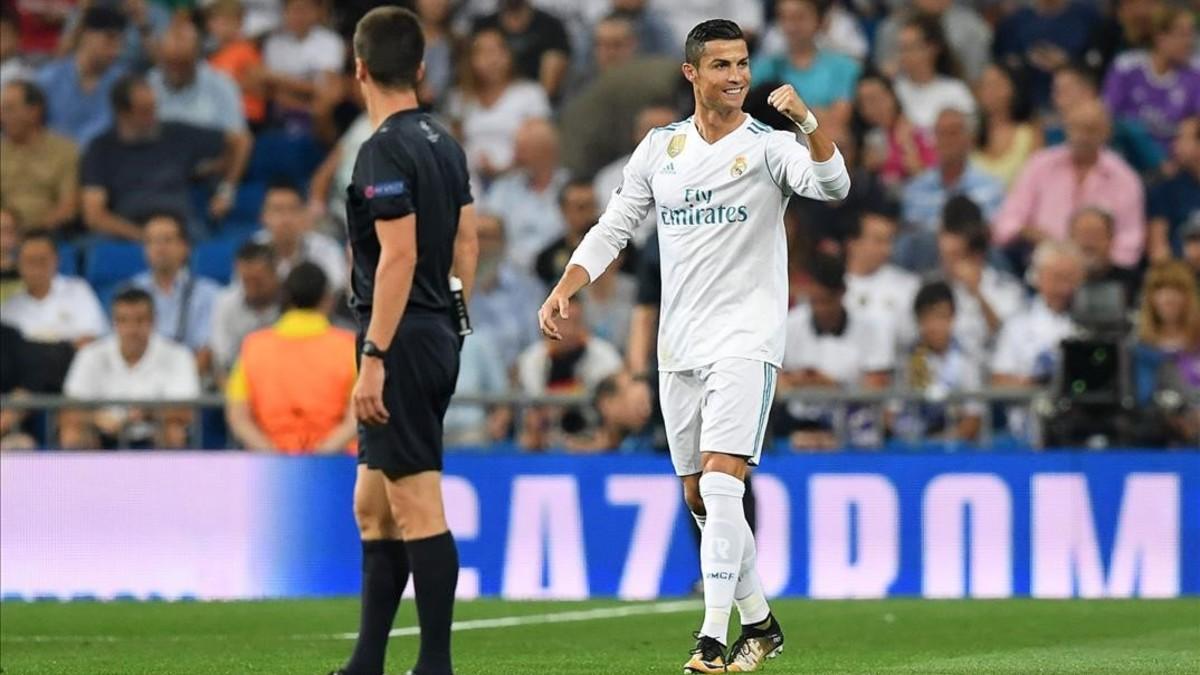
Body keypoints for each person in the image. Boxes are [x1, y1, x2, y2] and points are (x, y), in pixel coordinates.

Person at [539, 19, 850, 672]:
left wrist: (809, 122)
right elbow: (615, 223)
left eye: (741, 64)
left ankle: (711, 638)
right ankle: (760, 623)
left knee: (721, 477)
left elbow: (833, 185)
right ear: (692, 74)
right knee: (700, 497)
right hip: (678, 346)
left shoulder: (769, 146)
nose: (736, 76)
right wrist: (568, 283)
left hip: (746, 338)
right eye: (721, 66)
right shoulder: (661, 148)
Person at [332, 8, 478, 675]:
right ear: (419, 67)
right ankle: (367, 660)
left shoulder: (382, 147)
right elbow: (467, 238)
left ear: (359, 68)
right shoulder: (445, 142)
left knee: (415, 499)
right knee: (374, 503)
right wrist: (455, 317)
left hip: (398, 335)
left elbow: (397, 255)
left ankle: (436, 664)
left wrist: (375, 356)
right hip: (430, 325)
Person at [81, 75, 244, 240]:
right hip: (128, 232)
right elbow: (94, 215)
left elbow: (240, 141)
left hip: (180, 230)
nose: (153, 117)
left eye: (154, 108)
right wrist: (147, 238)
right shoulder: (101, 149)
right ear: (122, 113)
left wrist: (226, 190)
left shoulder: (175, 133)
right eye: (145, 111)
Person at [993, 99, 1146, 269]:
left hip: (1102, 273)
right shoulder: (1039, 165)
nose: (1082, 137)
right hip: (1040, 265)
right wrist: (1033, 234)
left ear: (1106, 132)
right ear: (1065, 127)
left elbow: (1129, 246)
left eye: (1090, 130)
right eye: (1076, 128)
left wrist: (1098, 257)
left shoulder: (1124, 178)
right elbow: (1007, 222)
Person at [226, 262, 356, 453]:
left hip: (270, 466)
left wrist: (271, 451)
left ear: (285, 297)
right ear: (327, 299)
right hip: (339, 464)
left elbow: (238, 416)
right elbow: (358, 414)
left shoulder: (253, 347)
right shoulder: (349, 346)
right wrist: (324, 451)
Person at [59, 287, 200, 450]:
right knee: (73, 432)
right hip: (103, 435)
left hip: (153, 434)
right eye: (124, 321)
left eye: (140, 320)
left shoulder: (178, 355)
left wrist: (147, 413)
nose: (132, 330)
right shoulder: (91, 354)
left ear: (153, 321)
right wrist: (96, 418)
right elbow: (68, 409)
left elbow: (186, 411)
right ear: (114, 323)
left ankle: (168, 476)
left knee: (174, 431)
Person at [778, 256, 894, 451]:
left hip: (850, 425)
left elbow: (875, 388)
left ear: (842, 293)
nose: (820, 309)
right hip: (797, 423)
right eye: (815, 301)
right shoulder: (790, 325)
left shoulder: (871, 330)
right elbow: (776, 383)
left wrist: (829, 385)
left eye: (826, 301)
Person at [444, 27, 551, 192]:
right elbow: (454, 145)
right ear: (471, 60)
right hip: (470, 182)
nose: (491, 60)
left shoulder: (530, 94)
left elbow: (541, 146)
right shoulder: (460, 98)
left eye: (497, 51)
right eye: (483, 53)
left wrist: (505, 168)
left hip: (520, 180)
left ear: (509, 55)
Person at [516, 297, 623, 450]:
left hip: (595, 442)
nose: (568, 331)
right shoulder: (532, 360)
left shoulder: (606, 358)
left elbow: (616, 417)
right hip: (549, 442)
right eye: (562, 322)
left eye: (575, 322)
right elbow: (531, 418)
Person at [888, 280, 984, 442]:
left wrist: (941, 443)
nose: (934, 326)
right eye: (927, 318)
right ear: (918, 321)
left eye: (941, 317)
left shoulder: (967, 359)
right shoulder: (907, 359)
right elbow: (890, 414)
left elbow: (973, 418)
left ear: (953, 318)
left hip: (955, 446)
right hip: (914, 445)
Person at [751, 0, 860, 133]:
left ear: (820, 21)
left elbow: (837, 120)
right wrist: (815, 112)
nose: (791, 26)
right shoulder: (763, 68)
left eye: (799, 17)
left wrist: (790, 111)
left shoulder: (844, 67)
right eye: (784, 18)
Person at [935, 197, 1026, 359]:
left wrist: (978, 294)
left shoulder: (1007, 288)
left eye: (956, 256)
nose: (947, 264)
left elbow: (1007, 340)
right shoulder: (931, 287)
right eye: (945, 256)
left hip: (992, 376)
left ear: (977, 256)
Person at [1102, 7, 1199, 155]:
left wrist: (1192, 128)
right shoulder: (1126, 67)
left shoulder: (1195, 73)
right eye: (1182, 35)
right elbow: (1107, 113)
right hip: (1127, 152)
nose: (1189, 42)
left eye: (1191, 35)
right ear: (1160, 38)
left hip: (1174, 157)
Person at [991, 240, 1086, 389]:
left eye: (1071, 278)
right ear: (1037, 277)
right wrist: (1034, 385)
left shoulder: (1095, 322)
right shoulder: (1017, 323)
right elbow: (999, 379)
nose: (1064, 288)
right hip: (1030, 409)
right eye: (1057, 278)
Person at [480, 118, 570, 273]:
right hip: (509, 275)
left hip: (559, 273)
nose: (516, 156)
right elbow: (485, 231)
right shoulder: (503, 189)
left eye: (523, 150)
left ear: (546, 152)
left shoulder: (571, 189)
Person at [129, 212, 221, 361]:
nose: (159, 248)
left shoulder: (209, 293)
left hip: (191, 377)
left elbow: (207, 350)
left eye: (167, 240)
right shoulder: (132, 291)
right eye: (152, 241)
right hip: (142, 376)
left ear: (185, 247)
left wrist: (180, 380)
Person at [1045, 63, 1164, 174]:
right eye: (1055, 91)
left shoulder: (1127, 130)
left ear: (1089, 91)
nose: (1056, 98)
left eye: (1064, 91)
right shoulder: (1052, 135)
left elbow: (1162, 169)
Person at [34, 6, 127, 146]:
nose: (116, 50)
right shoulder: (48, 79)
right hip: (55, 162)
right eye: (110, 39)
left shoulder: (123, 83)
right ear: (86, 34)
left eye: (121, 42)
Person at [901, 108, 1005, 232]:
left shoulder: (991, 188)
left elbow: (990, 237)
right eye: (941, 133)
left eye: (953, 133)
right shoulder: (915, 191)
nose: (947, 141)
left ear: (969, 140)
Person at [1131, 261, 1200, 444]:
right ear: (1150, 298)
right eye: (1160, 290)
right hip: (1153, 434)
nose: (1169, 298)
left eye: (1177, 290)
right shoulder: (1137, 346)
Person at [467, 211, 545, 371]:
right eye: (476, 236)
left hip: (518, 380)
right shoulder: (452, 288)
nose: (481, 245)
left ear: (503, 243)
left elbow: (536, 342)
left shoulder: (526, 289)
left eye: (488, 237)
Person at [0, 230, 106, 347]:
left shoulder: (78, 290)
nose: (37, 268)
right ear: (19, 264)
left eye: (43, 260)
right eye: (30, 261)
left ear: (56, 260)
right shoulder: (9, 308)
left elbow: (92, 338)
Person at [992, 0, 1104, 108]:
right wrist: (1027, 60)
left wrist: (1067, 62)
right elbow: (1005, 65)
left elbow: (1099, 64)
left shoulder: (1088, 16)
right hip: (1032, 105)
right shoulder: (1014, 23)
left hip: (1077, 104)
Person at [0, 80, 78, 234]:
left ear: (34, 111)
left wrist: (36, 232)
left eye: (9, 109)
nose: (2, 117)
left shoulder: (64, 150)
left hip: (51, 234)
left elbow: (69, 204)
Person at [844, 209, 919, 351]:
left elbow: (913, 338)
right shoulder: (833, 287)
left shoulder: (909, 285)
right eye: (878, 241)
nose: (887, 250)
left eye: (890, 241)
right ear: (852, 243)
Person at [254, 180, 348, 293]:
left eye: (292, 209)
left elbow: (336, 290)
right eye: (277, 210)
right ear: (263, 216)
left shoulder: (327, 248)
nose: (285, 219)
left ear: (304, 214)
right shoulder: (255, 249)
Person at [261, 0, 345, 123]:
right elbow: (272, 90)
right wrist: (311, 88)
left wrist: (283, 80)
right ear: (284, 12)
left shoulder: (331, 41)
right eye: (294, 10)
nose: (299, 16)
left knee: (326, 103)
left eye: (304, 10)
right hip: (282, 111)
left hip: (318, 114)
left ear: (316, 12)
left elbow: (330, 88)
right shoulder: (273, 43)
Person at [210, 241, 282, 382]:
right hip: (241, 381)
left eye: (258, 281)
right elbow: (222, 361)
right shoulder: (225, 303)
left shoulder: (291, 300)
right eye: (246, 281)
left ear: (275, 275)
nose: (252, 288)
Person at [891, 15, 976, 133]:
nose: (904, 56)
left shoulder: (956, 90)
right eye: (901, 49)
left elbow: (970, 132)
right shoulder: (893, 91)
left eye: (910, 48)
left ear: (932, 49)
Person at [472, 0, 571, 101]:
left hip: (535, 105)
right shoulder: (483, 26)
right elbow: (469, 72)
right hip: (487, 103)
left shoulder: (551, 27)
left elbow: (549, 88)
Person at [873, 0, 992, 83]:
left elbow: (978, 78)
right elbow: (883, 74)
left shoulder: (973, 28)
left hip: (958, 94)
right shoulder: (891, 28)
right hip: (902, 96)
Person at [853, 70, 935, 190]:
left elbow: (928, 179)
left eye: (873, 99)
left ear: (892, 97)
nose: (868, 108)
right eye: (862, 103)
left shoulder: (917, 132)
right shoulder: (868, 138)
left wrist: (908, 149)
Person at [971, 64, 1041, 189]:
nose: (989, 91)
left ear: (1013, 89)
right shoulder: (971, 138)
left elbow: (1038, 184)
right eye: (984, 85)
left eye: (996, 84)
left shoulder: (1030, 134)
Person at [206, 0, 268, 128]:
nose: (222, 27)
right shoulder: (212, 58)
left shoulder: (246, 50)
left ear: (240, 23)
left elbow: (261, 89)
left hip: (246, 115)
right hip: (219, 115)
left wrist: (227, 84)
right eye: (218, 21)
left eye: (227, 22)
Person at [1147, 116, 1200, 263]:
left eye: (1181, 138)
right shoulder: (1164, 190)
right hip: (1180, 274)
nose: (1174, 145)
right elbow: (1157, 249)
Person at [567, 370, 654, 453]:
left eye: (649, 402)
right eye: (638, 404)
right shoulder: (574, 447)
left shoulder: (654, 446)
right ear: (607, 403)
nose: (647, 411)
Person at [1069, 206, 1140, 308]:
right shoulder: (1058, 284)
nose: (1088, 243)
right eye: (1083, 234)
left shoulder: (1133, 282)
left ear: (1111, 239)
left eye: (1095, 234)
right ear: (1070, 238)